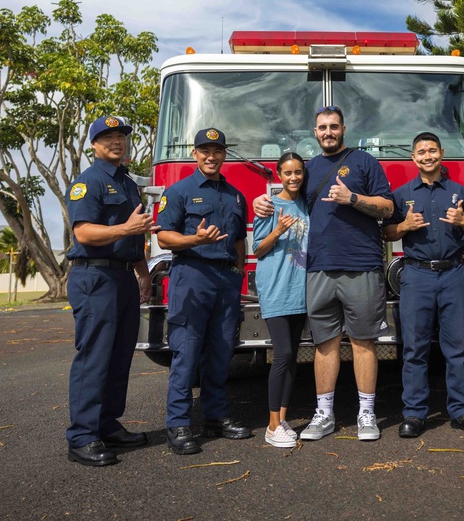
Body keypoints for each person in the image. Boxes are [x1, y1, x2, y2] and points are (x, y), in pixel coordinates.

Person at [254, 105, 393, 442]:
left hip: (361, 265)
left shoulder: (364, 163)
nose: (328, 132)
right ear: (314, 133)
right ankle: (324, 414)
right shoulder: (310, 169)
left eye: (333, 126)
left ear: (343, 128)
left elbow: (387, 208)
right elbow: (287, 196)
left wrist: (353, 198)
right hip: (317, 269)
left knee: (363, 342)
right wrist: (262, 201)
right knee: (324, 344)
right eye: (322, 127)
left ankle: (366, 414)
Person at [382, 132, 464, 438]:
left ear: (441, 153)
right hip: (416, 276)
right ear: (413, 158)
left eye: (432, 150)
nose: (427, 156)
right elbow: (387, 233)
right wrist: (404, 226)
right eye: (421, 152)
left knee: (457, 348)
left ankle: (462, 411)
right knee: (414, 349)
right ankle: (414, 414)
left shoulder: (460, 192)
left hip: (454, 274)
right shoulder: (401, 195)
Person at [65, 115, 156, 467]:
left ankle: (107, 422)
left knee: (119, 357)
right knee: (94, 357)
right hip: (95, 278)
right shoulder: (88, 182)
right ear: (93, 144)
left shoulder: (128, 184)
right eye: (107, 136)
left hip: (124, 277)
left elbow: (135, 236)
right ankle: (82, 436)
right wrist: (126, 228)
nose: (116, 141)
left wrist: (143, 274)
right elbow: (84, 233)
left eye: (121, 136)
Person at [156, 127, 252, 455]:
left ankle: (216, 416)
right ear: (195, 154)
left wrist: (238, 272)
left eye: (217, 151)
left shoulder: (235, 195)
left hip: (226, 280)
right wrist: (195, 240)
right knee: (188, 351)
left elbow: (239, 239)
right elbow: (164, 237)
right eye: (205, 151)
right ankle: (179, 424)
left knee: (222, 351)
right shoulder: (179, 191)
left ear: (224, 154)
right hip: (192, 275)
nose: (211, 157)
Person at [252, 152, 310, 448]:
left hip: (300, 291)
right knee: (283, 354)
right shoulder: (268, 206)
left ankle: (283, 419)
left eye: (298, 172)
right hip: (275, 289)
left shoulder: (306, 204)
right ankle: (272, 426)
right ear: (278, 175)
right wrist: (278, 230)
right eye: (287, 173)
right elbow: (258, 250)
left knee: (292, 359)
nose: (293, 178)